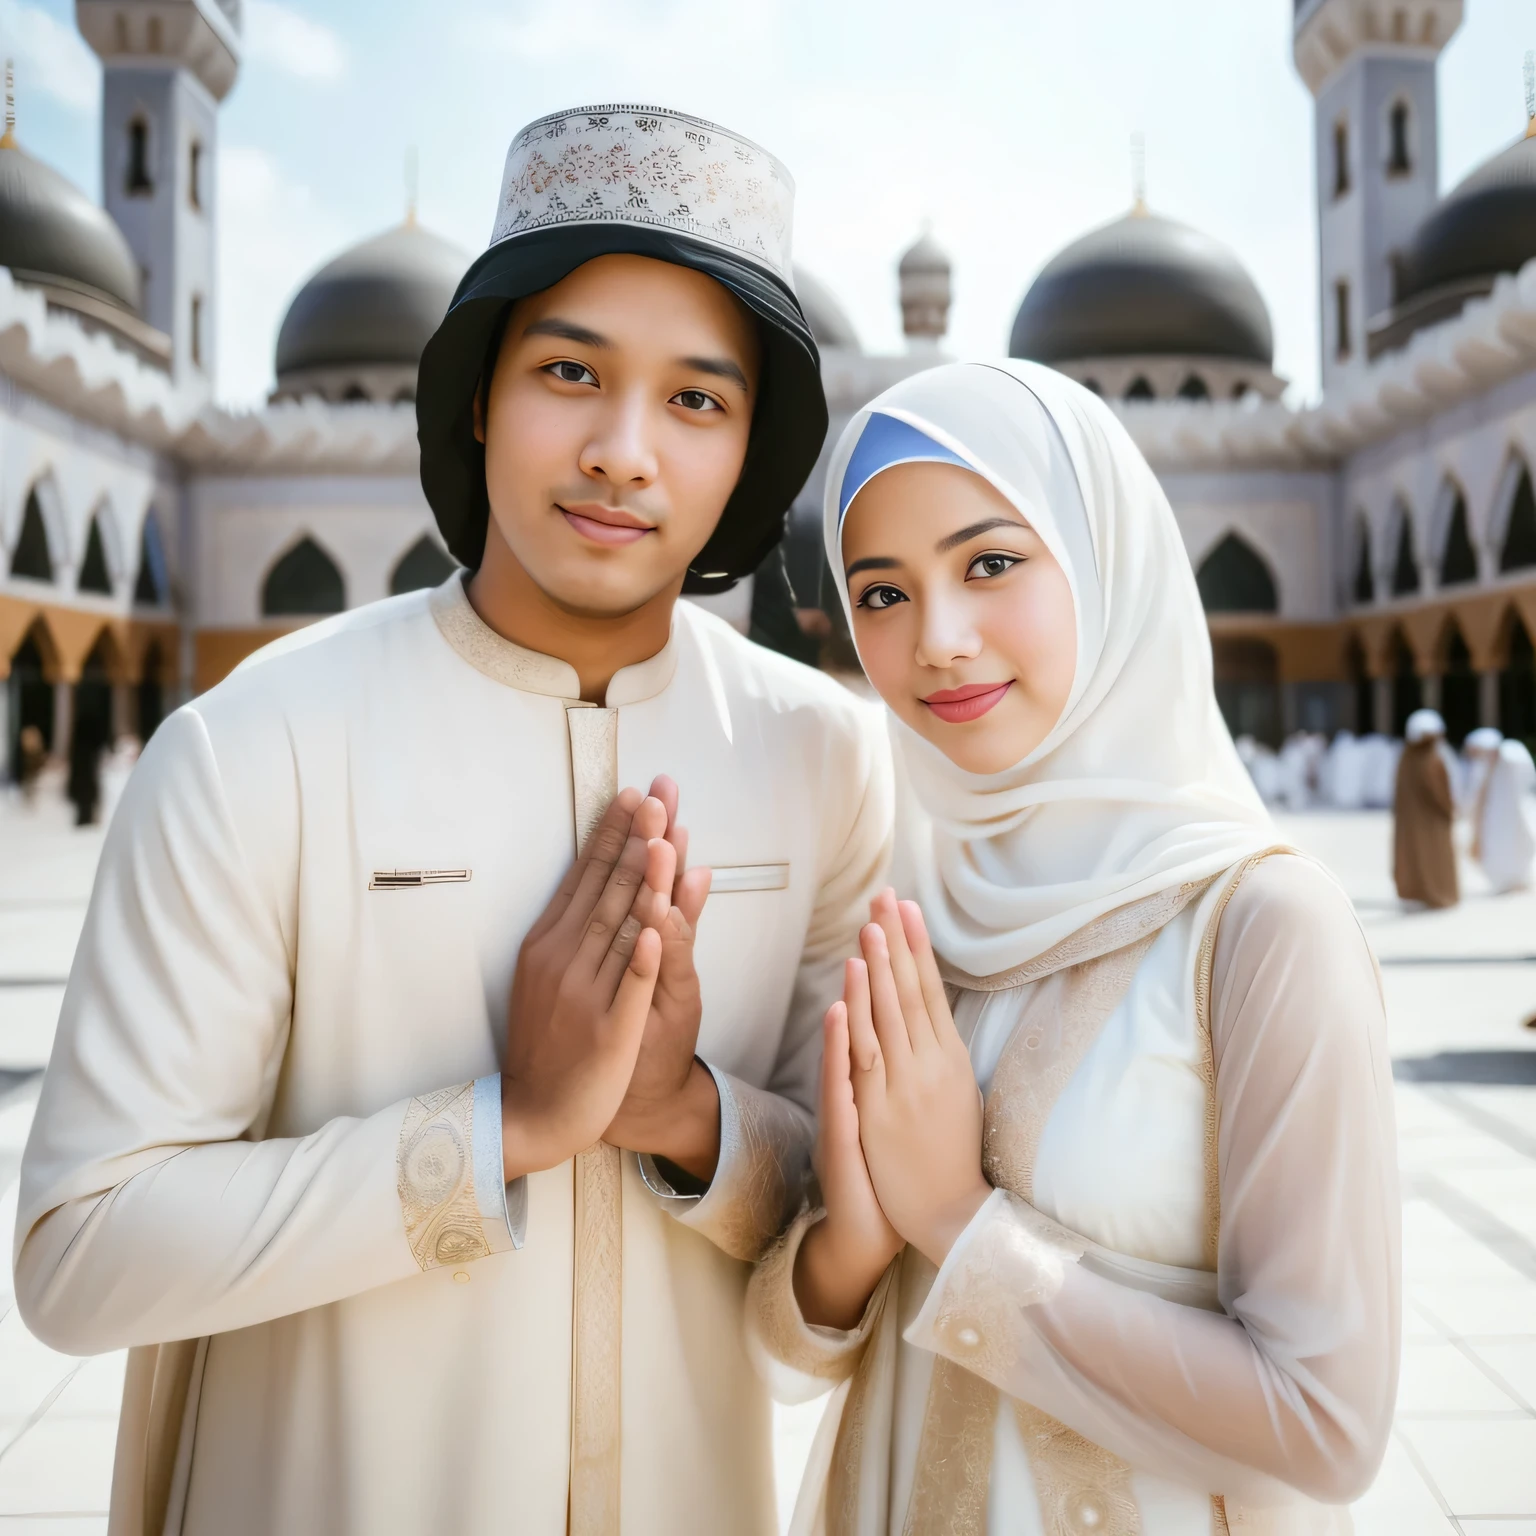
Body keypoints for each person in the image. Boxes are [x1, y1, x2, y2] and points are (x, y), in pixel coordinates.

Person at [16, 106, 892, 1536]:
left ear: (751, 453)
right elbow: (79, 1255)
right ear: (480, 391)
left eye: (696, 400)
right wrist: (504, 1130)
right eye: (568, 371)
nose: (623, 452)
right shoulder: (258, 747)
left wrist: (685, 1114)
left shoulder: (822, 758)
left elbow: (829, 1247)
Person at [747, 362, 1398, 1533]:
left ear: (1104, 562)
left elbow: (1327, 1425)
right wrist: (850, 1242)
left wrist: (956, 1221)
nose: (937, 639)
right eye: (880, 593)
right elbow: (801, 1351)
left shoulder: (1258, 930)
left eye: (991, 563)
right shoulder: (920, 908)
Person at [1393, 708, 1459, 908]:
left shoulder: (1406, 757)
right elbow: (1441, 793)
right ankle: (1438, 895)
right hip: (1433, 823)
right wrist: (1450, 810)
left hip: (1409, 822)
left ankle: (1415, 893)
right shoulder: (1431, 758)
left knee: (1413, 856)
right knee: (1434, 859)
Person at [1476, 737, 1536, 892]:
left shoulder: (1519, 785)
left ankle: (1519, 878)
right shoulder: (1493, 776)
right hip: (1497, 821)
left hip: (1513, 820)